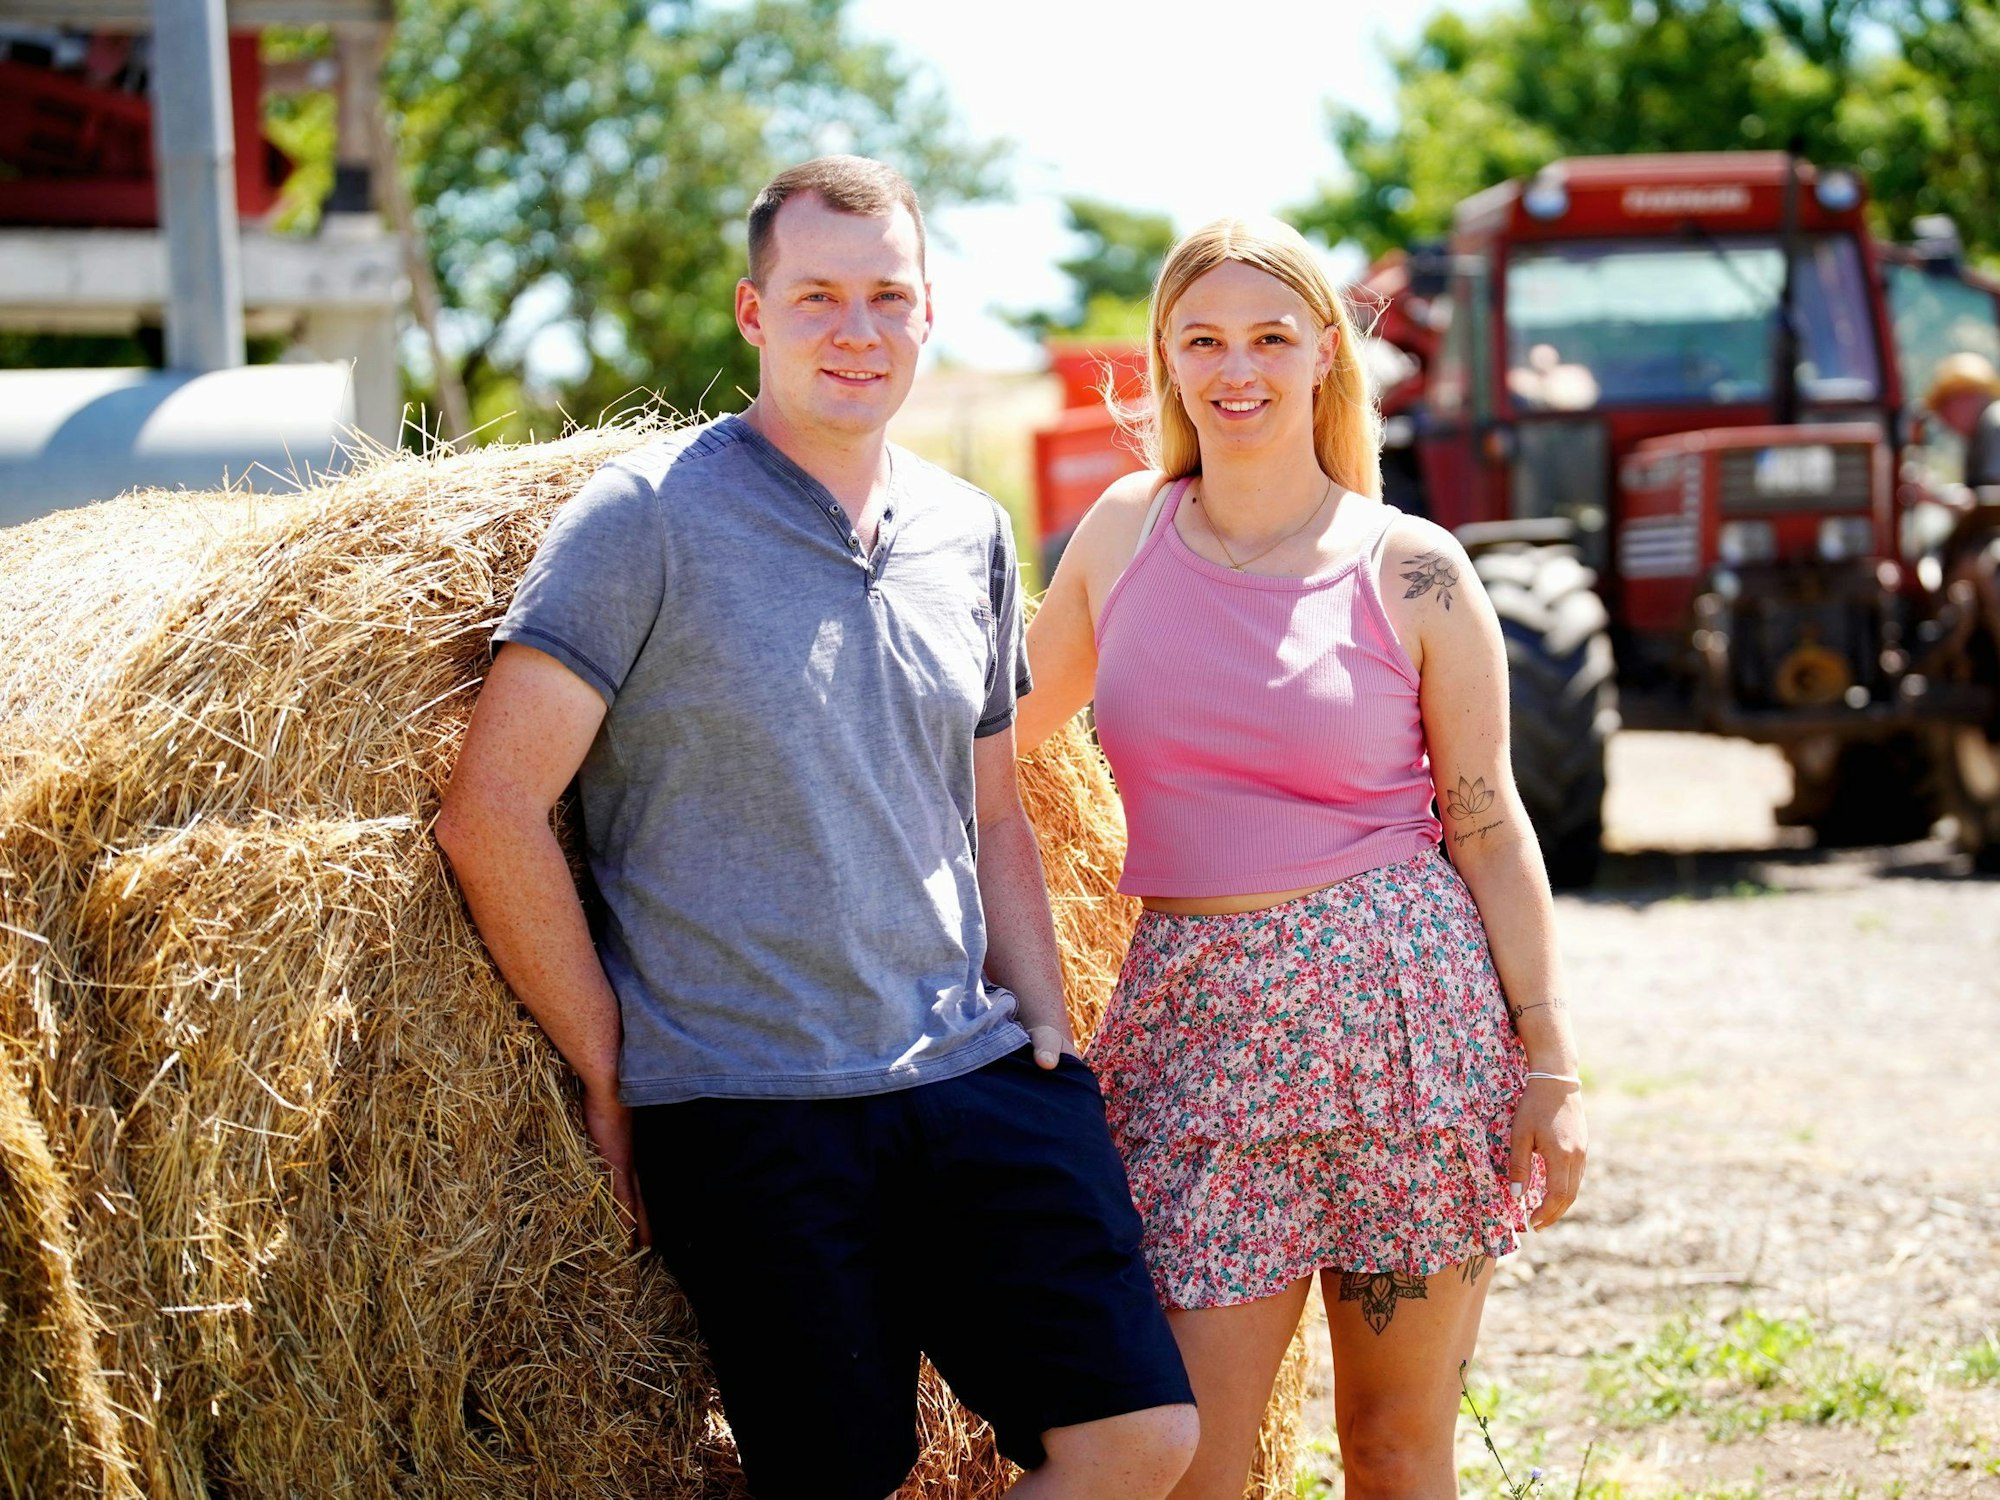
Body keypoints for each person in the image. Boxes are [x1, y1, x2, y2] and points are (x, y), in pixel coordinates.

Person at [435, 155, 1196, 1500]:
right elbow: (490, 811)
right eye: (819, 296)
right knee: (836, 1481)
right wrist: (617, 1070)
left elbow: (992, 806)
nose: (856, 328)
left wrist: (1048, 1031)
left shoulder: (970, 531)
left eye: (886, 297)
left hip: (971, 1075)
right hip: (751, 1108)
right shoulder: (646, 520)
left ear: (926, 316)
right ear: (753, 311)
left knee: (1140, 1439)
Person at [1018, 216, 1588, 1500]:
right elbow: (994, 738)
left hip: (1408, 1035)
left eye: (1270, 337)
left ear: (1326, 353)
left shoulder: (1413, 568)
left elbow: (1487, 821)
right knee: (1195, 1465)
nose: (1238, 369)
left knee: (1393, 1453)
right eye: (1202, 339)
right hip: (1196, 1040)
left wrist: (1548, 1059)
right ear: (1162, 360)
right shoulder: (1122, 534)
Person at [1923, 351, 2000, 493]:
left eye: (1944, 405)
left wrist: (1939, 495)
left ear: (1965, 396)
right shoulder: (1981, 431)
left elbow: (1993, 497)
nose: (1942, 417)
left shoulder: (1994, 424)